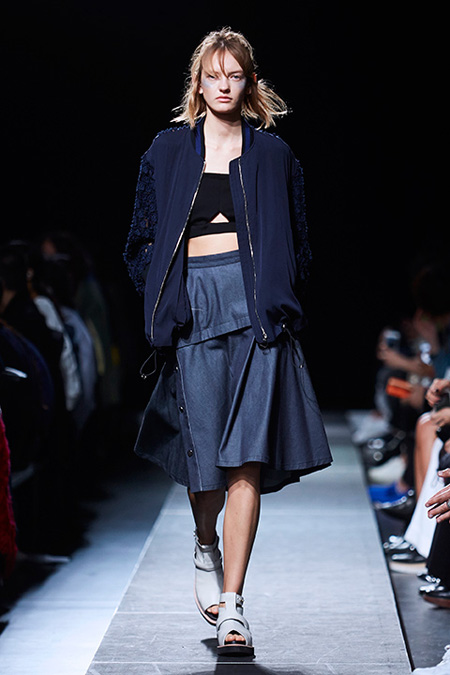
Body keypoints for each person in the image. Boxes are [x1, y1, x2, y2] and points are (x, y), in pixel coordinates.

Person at [124, 27, 332, 657]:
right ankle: (204, 540)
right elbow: (140, 241)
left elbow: (299, 242)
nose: (223, 86)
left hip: (258, 318)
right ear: (198, 82)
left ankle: (234, 603)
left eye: (234, 75)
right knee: (206, 460)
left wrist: (277, 297)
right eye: (212, 76)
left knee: (247, 460)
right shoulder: (166, 151)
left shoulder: (274, 155)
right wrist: (168, 301)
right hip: (194, 314)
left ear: (249, 82)